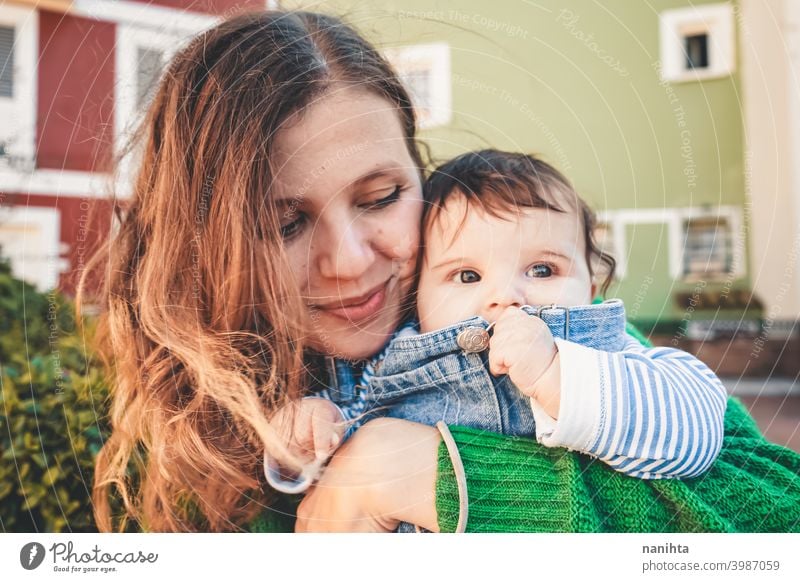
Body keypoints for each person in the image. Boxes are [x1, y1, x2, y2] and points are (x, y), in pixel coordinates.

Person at [80, 9, 800, 534]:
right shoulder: (186, 433)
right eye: (285, 224)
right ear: (209, 241)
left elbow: (776, 512)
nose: (352, 260)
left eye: (382, 197)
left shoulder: (542, 330)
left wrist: (428, 475)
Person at [267, 150, 727, 498]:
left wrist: (557, 375)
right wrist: (308, 432)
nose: (505, 296)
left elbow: (697, 434)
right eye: (466, 276)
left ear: (591, 288)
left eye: (543, 270)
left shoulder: (608, 354)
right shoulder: (385, 366)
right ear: (418, 298)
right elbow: (332, 484)